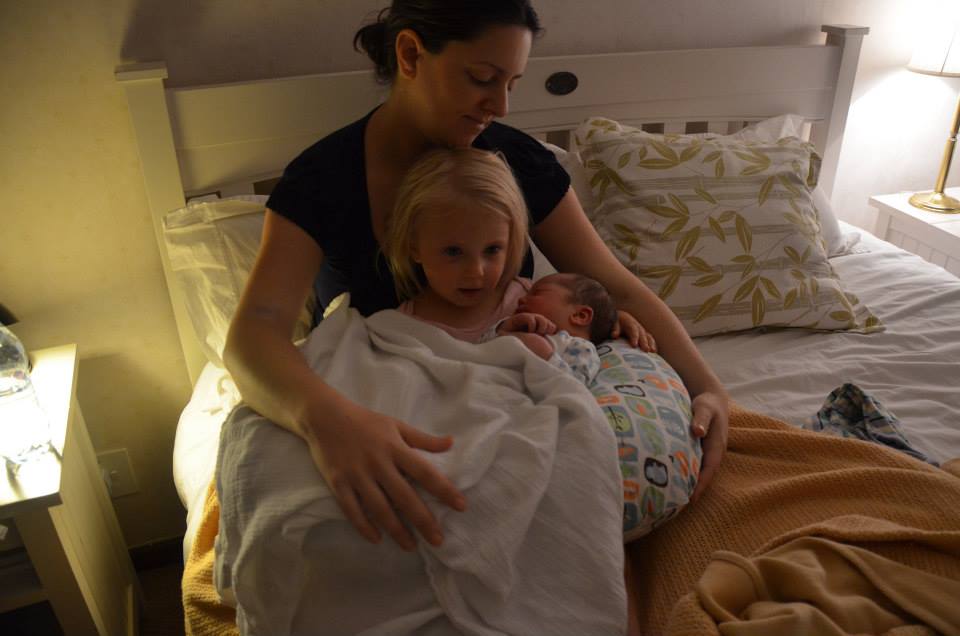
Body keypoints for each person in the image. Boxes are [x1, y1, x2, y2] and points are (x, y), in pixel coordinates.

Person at [224, 0, 729, 556]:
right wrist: (326, 421)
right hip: (388, 397)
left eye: (511, 83)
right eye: (483, 79)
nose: (501, 105)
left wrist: (709, 389)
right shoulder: (321, 181)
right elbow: (255, 333)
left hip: (511, 400)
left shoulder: (516, 162)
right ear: (410, 54)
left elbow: (615, 283)